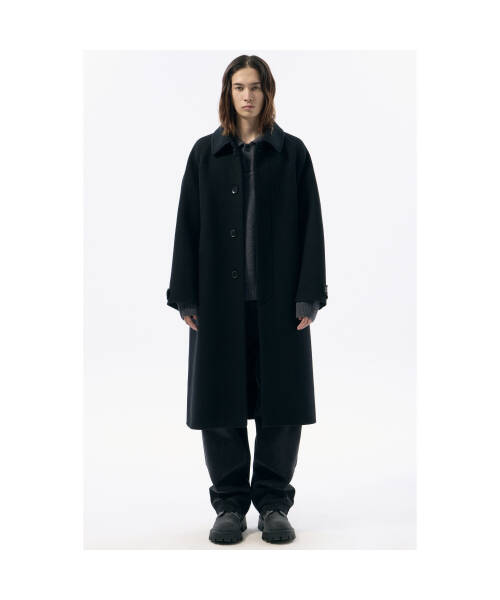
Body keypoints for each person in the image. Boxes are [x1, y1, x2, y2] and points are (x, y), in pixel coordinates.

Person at [166, 55, 327, 544]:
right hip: (218, 303)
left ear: (268, 91)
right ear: (228, 92)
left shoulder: (292, 153)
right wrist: (186, 295)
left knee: (282, 405)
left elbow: (311, 226)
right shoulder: (205, 154)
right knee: (220, 405)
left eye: (255, 87)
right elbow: (187, 225)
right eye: (239, 87)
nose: (248, 96)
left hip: (280, 305)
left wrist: (309, 295)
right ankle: (230, 506)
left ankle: (274, 504)